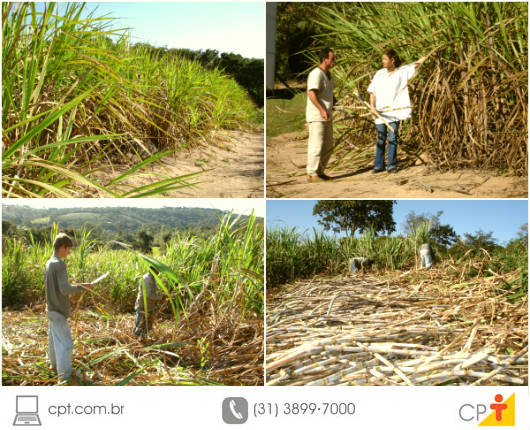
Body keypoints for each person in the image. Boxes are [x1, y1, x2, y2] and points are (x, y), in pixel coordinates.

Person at [367, 49, 426, 173]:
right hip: (380, 112)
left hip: (394, 112)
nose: (382, 62)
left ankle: (391, 165)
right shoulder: (379, 74)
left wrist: (429, 54)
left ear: (392, 60)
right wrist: (372, 106)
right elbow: (372, 91)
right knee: (381, 138)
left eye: (385, 59)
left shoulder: (401, 72)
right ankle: (378, 165)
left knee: (393, 138)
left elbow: (416, 64)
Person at [45, 233, 93, 382]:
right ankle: (64, 377)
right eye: (68, 249)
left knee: (54, 341)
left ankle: (53, 366)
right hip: (58, 311)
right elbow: (64, 289)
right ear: (63, 247)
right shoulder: (59, 264)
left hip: (50, 309)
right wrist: (82, 287)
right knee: (66, 345)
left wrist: (80, 285)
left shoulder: (49, 262)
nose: (69, 252)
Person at [305, 47, 336, 182]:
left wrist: (335, 102)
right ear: (325, 59)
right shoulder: (316, 74)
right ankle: (312, 173)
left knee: (328, 145)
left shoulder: (329, 75)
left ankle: (320, 171)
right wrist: (321, 110)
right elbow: (311, 93)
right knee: (316, 145)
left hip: (327, 115)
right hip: (317, 116)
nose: (334, 61)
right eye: (332, 58)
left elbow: (329, 93)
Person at [132, 266, 164, 338]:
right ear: (151, 270)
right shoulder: (146, 279)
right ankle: (134, 342)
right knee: (138, 326)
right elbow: (148, 294)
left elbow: (154, 292)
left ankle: (144, 340)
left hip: (149, 306)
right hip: (143, 305)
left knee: (147, 326)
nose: (158, 272)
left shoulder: (153, 279)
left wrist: (161, 295)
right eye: (157, 270)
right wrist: (161, 297)